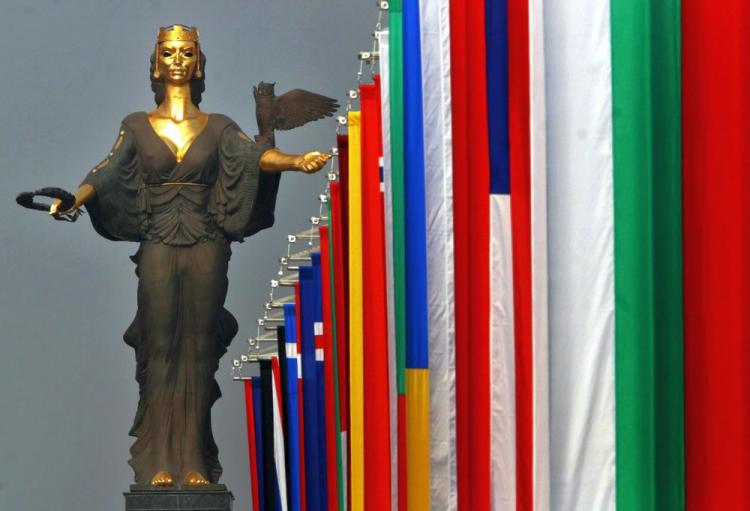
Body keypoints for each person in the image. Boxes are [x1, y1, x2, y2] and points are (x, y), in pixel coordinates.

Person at [49, 24, 331, 487]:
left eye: (186, 52)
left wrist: (296, 161)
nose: (177, 59)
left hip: (207, 241)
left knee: (199, 350)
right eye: (169, 51)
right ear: (157, 62)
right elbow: (104, 172)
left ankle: (195, 461)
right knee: (161, 345)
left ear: (197, 62)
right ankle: (157, 459)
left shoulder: (219, 126)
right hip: (159, 239)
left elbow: (253, 158)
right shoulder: (136, 125)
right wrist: (72, 200)